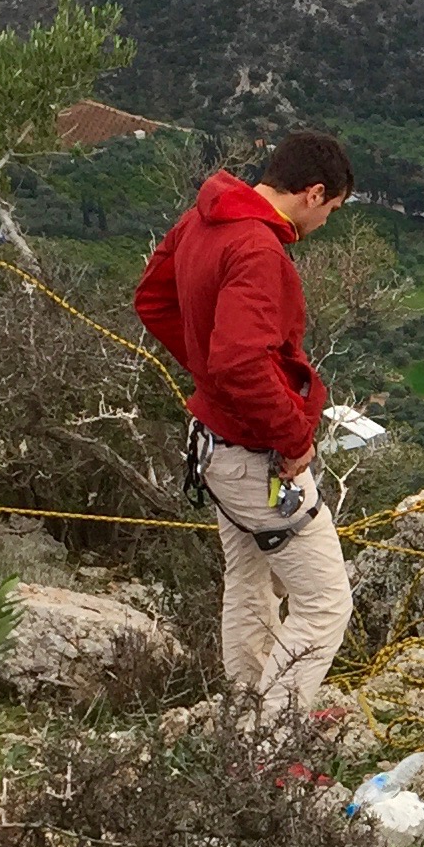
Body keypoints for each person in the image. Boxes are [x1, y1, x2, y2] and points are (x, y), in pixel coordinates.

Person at [133, 128, 355, 726]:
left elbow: (152, 300)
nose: (326, 222)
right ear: (313, 193)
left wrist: (206, 369)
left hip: (212, 443)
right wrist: (293, 437)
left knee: (250, 578)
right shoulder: (258, 249)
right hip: (253, 453)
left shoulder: (206, 216)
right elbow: (240, 360)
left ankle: (245, 709)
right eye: (331, 209)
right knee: (325, 604)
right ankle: (270, 740)